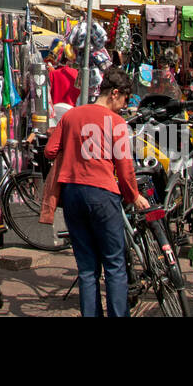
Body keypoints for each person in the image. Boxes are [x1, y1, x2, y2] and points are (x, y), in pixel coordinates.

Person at [40, 67, 149, 317]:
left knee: (87, 267)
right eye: (123, 101)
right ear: (115, 94)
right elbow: (125, 166)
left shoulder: (71, 116)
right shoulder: (117, 122)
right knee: (114, 264)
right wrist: (133, 196)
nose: (123, 107)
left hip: (72, 194)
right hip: (102, 194)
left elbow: (49, 151)